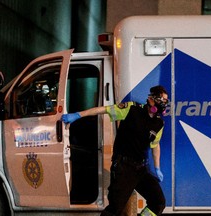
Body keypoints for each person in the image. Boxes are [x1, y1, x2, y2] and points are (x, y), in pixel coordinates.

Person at [61, 85, 169, 216]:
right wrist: (79, 115)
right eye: (160, 100)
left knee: (158, 202)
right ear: (151, 99)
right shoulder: (131, 109)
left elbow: (155, 146)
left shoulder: (159, 124)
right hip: (124, 168)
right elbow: (104, 110)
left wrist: (157, 168)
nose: (163, 104)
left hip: (141, 169)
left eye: (165, 101)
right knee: (114, 210)